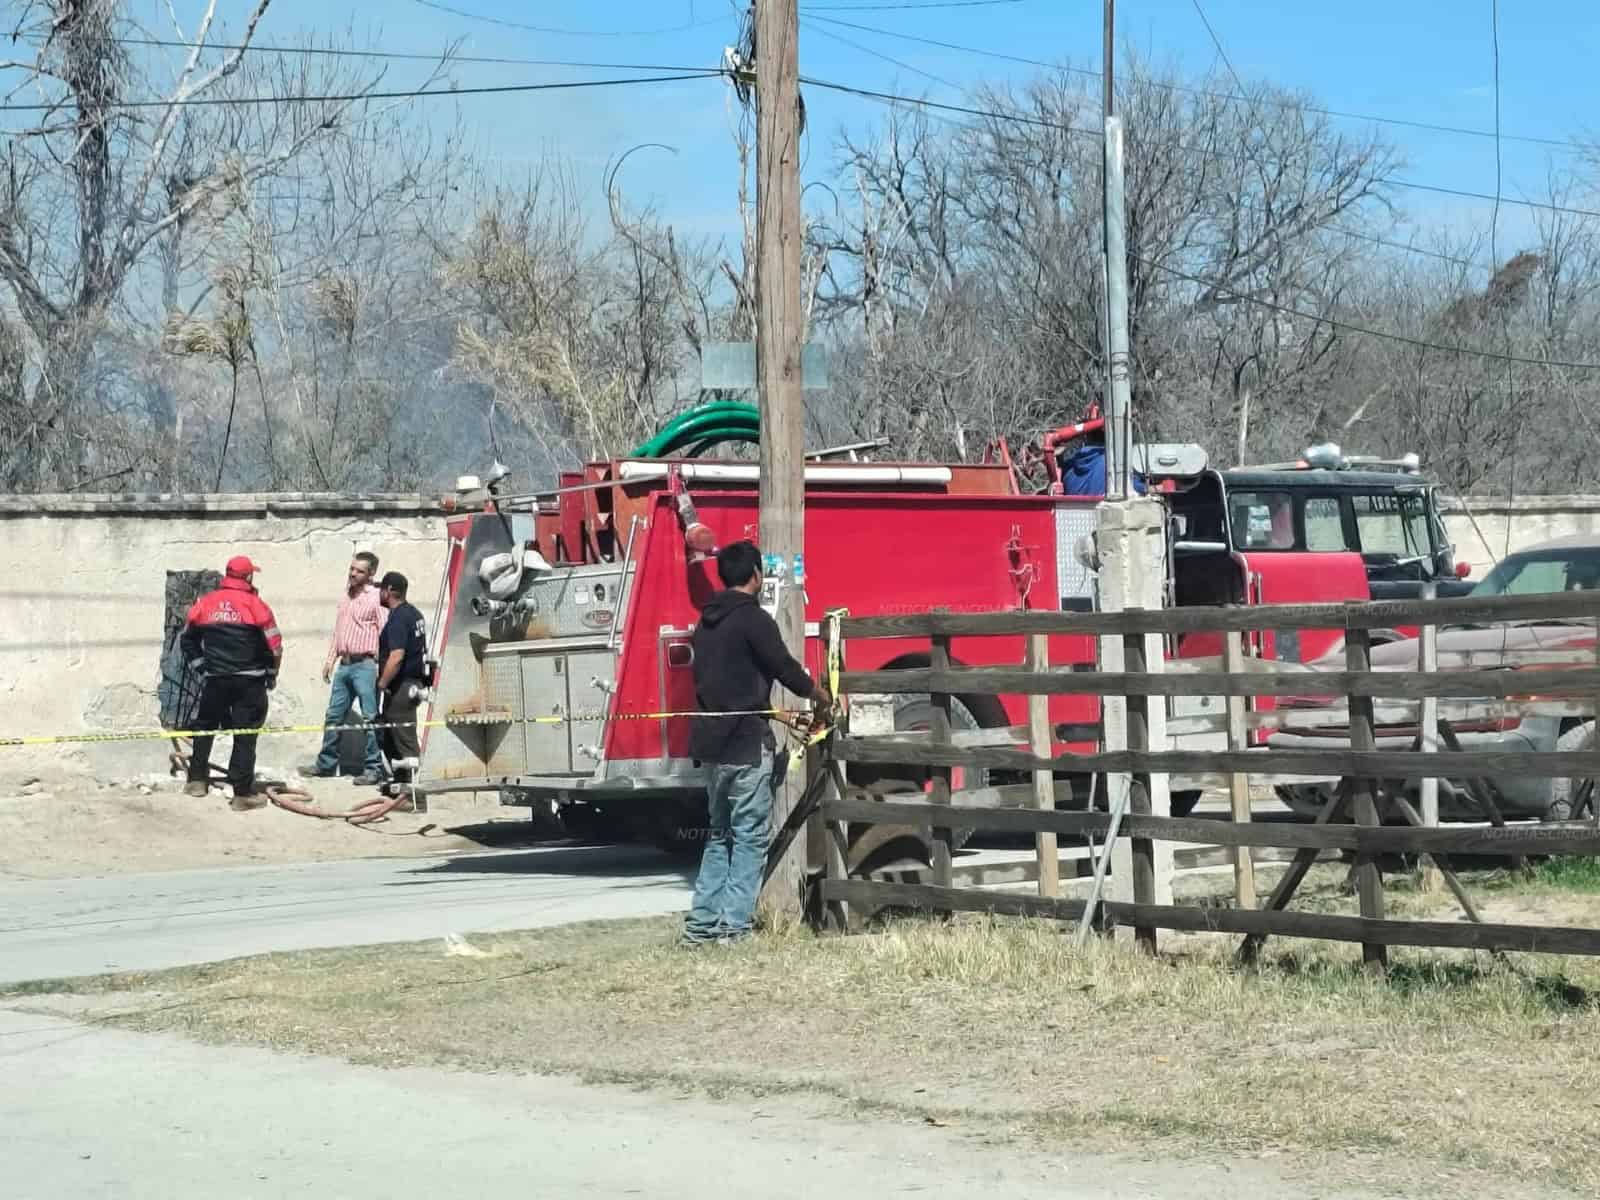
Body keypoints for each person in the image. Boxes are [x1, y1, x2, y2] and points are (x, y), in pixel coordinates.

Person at [681, 540, 832, 946]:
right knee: (748, 837)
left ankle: (702, 927)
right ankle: (734, 928)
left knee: (719, 836)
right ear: (754, 576)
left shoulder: (705, 622)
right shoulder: (753, 619)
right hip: (745, 746)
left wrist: (778, 714)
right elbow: (782, 667)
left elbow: (729, 689)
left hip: (711, 746)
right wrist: (819, 695)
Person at [180, 556, 283, 811]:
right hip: (249, 681)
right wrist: (272, 673)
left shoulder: (205, 603)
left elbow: (187, 640)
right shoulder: (256, 605)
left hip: (215, 679)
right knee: (245, 734)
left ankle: (196, 781)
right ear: (248, 577)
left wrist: (202, 668)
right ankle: (242, 793)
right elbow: (275, 646)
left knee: (205, 727)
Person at [304, 551, 388, 785]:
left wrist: (381, 667)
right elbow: (339, 630)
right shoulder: (346, 596)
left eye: (359, 570)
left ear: (371, 574)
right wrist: (330, 659)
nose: (353, 573)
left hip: (366, 666)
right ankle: (326, 765)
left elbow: (384, 633)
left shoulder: (376, 598)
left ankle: (373, 768)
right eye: (352, 568)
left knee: (370, 717)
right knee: (333, 716)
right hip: (345, 665)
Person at [374, 571, 429, 796]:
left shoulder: (398, 618)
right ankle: (400, 785)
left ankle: (412, 795)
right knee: (391, 736)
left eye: (381, 589)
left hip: (402, 686)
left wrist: (382, 683)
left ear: (389, 591)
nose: (379, 593)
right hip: (412, 684)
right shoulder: (413, 614)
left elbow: (396, 656)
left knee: (403, 739)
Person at [1058, 423, 1147, 497]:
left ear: (1086, 436)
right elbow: (1133, 488)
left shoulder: (1068, 469)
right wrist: (1155, 488)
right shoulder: (1116, 465)